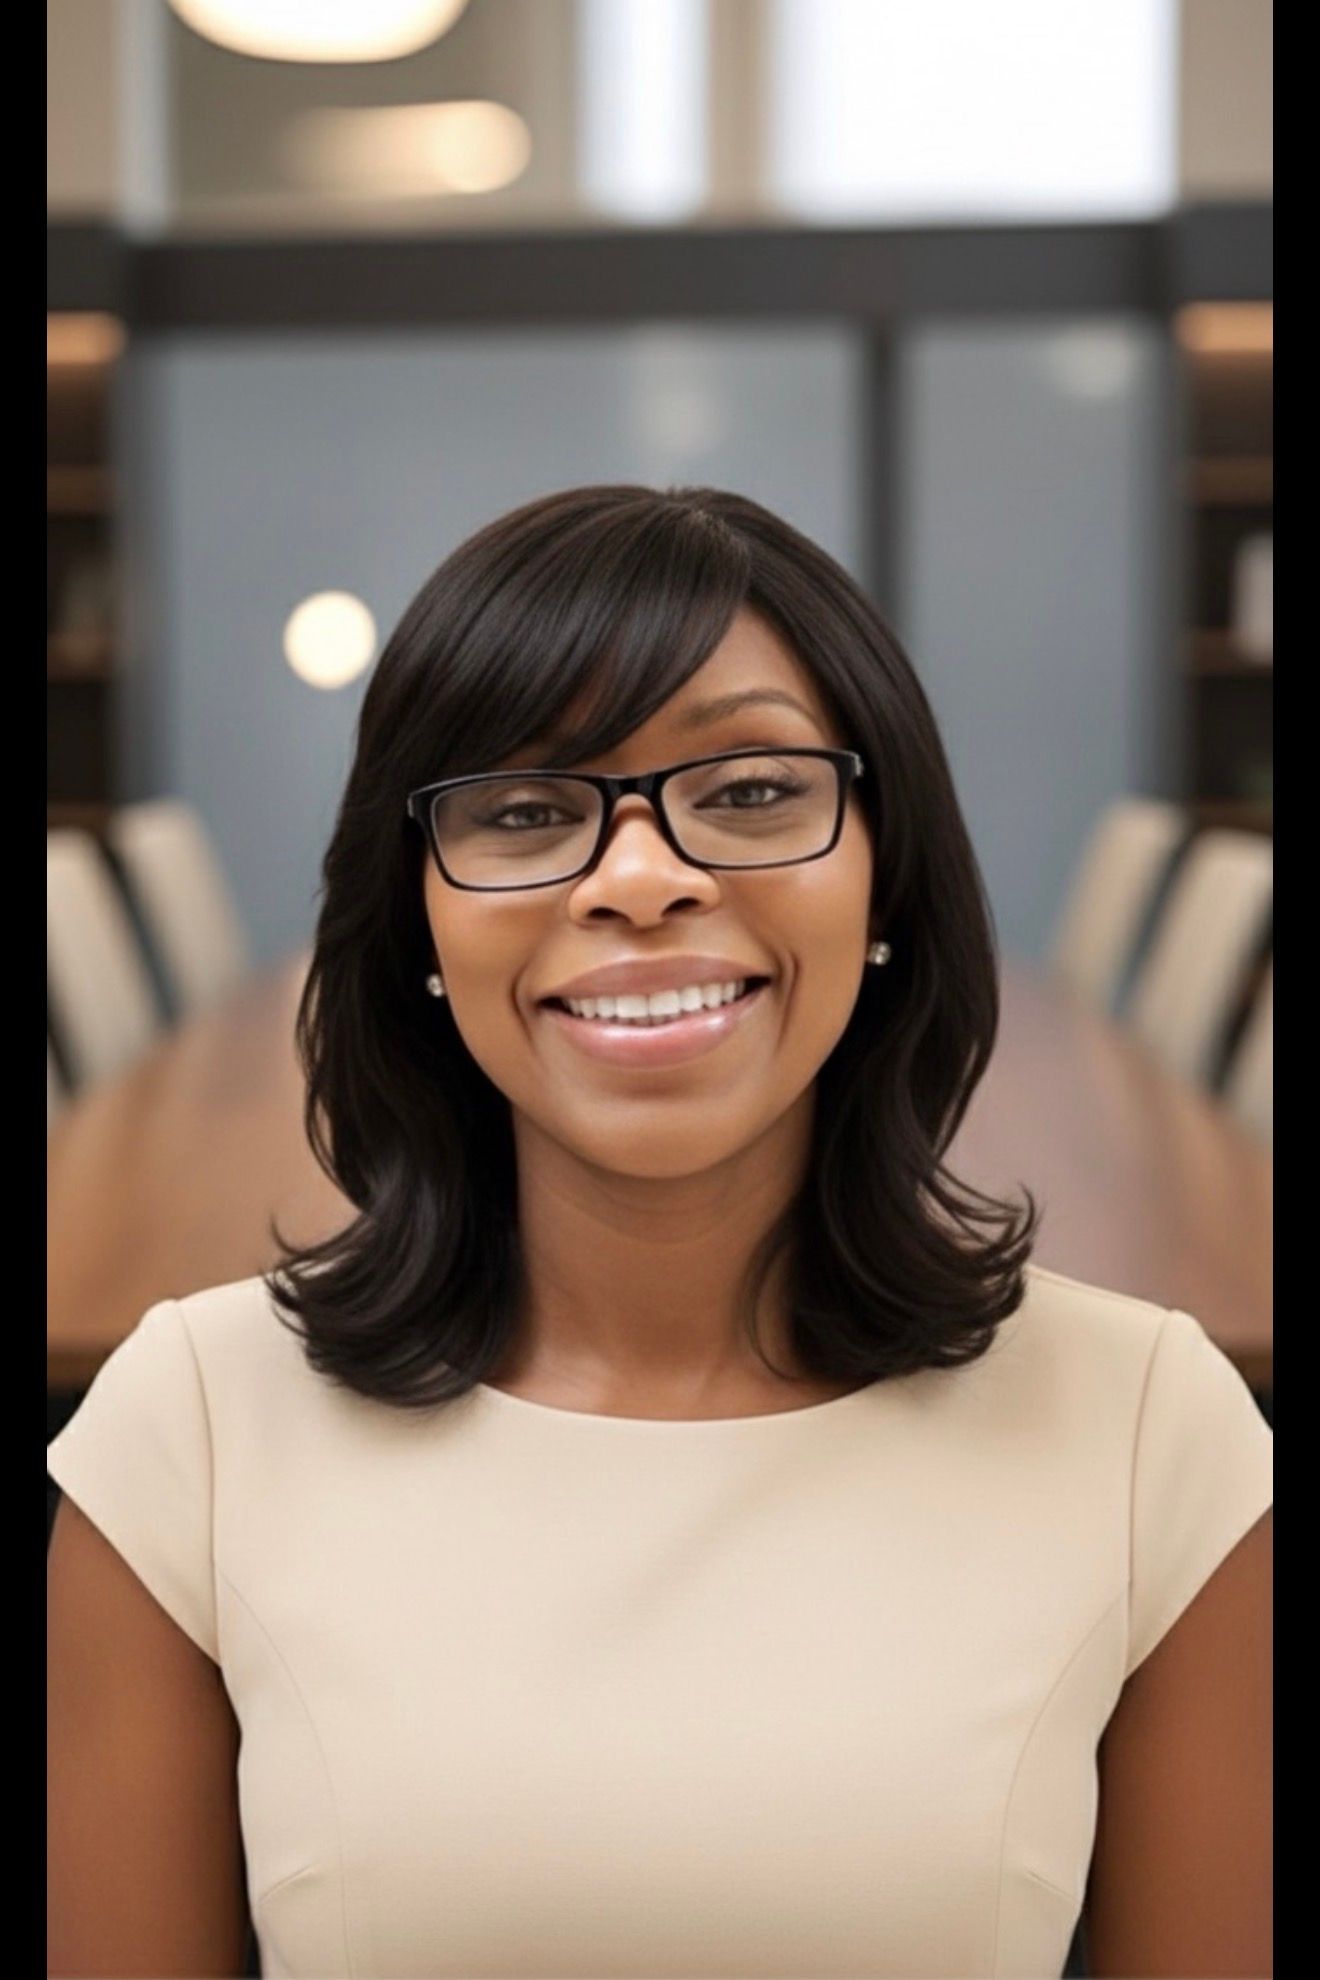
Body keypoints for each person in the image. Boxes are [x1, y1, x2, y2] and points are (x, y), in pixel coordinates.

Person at [48, 484, 1272, 1979]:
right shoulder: (188, 1437)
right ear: (416, 913)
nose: (641, 878)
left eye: (752, 790)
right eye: (524, 810)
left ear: (887, 868)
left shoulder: (1155, 1437)